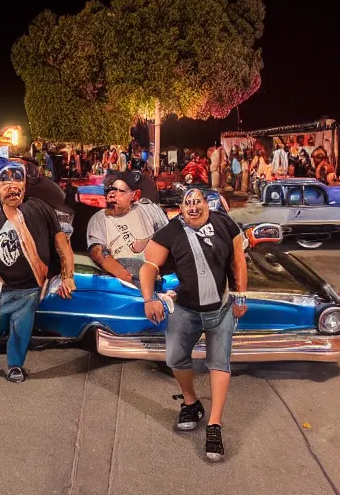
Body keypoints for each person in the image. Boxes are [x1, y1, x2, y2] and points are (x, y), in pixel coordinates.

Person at [140, 189, 248, 461]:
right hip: (184, 310)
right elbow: (149, 265)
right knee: (175, 358)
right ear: (180, 207)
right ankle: (191, 402)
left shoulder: (226, 223)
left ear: (207, 205)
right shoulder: (172, 230)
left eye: (197, 202)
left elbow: (238, 260)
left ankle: (214, 425)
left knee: (219, 363)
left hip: (220, 309)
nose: (193, 207)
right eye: (187, 203)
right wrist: (149, 298)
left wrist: (241, 294)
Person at [0, 162, 77, 384]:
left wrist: (67, 275)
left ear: (25, 184)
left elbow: (61, 241)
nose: (12, 187)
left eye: (18, 181)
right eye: (6, 182)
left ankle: (15, 366)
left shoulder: (40, 208)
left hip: (29, 288)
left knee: (21, 329)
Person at [87, 171, 168, 285]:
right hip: (125, 279)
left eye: (118, 191)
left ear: (134, 195)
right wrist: (122, 274)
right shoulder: (99, 218)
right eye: (109, 190)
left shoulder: (148, 209)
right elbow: (97, 252)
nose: (111, 194)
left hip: (158, 274)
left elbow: (169, 236)